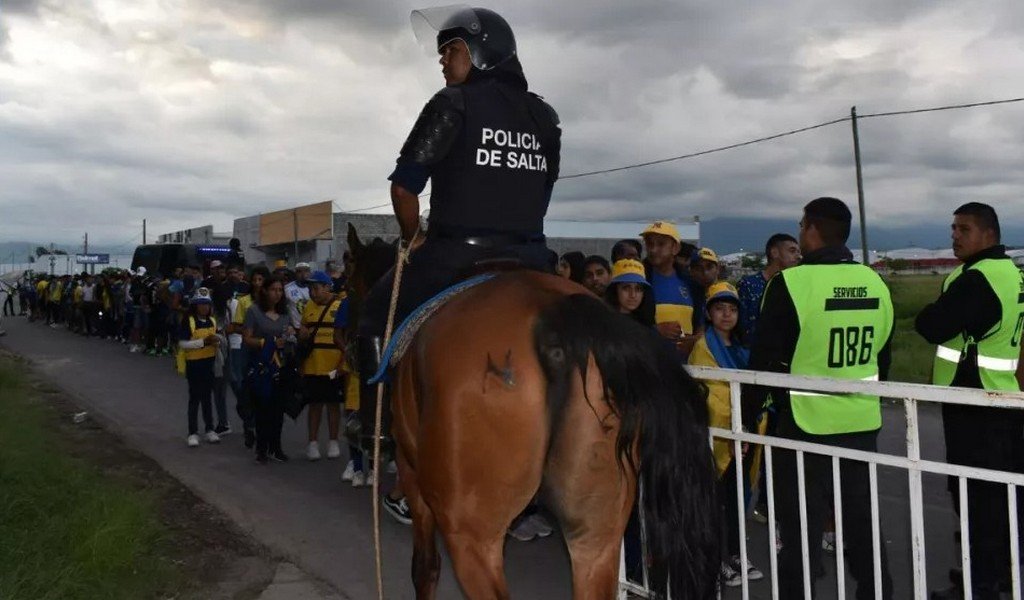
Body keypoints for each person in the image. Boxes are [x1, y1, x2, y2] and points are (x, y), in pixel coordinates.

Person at [355, 5, 561, 444]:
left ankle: (380, 427)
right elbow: (544, 191)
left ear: (481, 52)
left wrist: (413, 239)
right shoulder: (545, 118)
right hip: (532, 259)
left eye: (451, 50)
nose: (443, 62)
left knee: (372, 314)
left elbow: (404, 189)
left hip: (455, 255)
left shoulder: (453, 103)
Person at [742, 197, 894, 599]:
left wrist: (747, 418)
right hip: (861, 423)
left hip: (802, 423)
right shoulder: (875, 282)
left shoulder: (790, 283)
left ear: (810, 230)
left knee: (800, 526)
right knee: (860, 520)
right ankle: (877, 590)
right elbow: (884, 357)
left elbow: (764, 362)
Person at [915, 203, 1024, 600]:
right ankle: (998, 576)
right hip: (1005, 397)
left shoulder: (977, 278)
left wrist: (934, 309)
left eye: (963, 229)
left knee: (977, 499)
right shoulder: (1012, 273)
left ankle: (982, 585)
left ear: (988, 234)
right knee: (1002, 495)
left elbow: (931, 325)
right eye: (952, 228)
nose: (954, 236)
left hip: (974, 402)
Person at [687, 282, 763, 587]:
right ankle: (715, 557)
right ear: (709, 313)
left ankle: (734, 552)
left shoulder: (744, 348)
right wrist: (733, 427)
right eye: (720, 308)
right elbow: (709, 393)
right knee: (713, 500)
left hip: (743, 435)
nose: (727, 314)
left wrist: (744, 427)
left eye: (732, 309)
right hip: (717, 437)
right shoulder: (702, 348)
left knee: (736, 497)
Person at [243, 275, 295, 464]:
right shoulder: (254, 311)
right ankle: (262, 448)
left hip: (280, 366)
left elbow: (290, 334)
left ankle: (276, 446)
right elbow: (247, 338)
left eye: (280, 290)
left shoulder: (285, 313)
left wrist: (291, 335)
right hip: (261, 365)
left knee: (278, 410)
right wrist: (267, 343)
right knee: (262, 409)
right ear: (264, 290)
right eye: (274, 290)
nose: (277, 294)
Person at [299, 271, 350, 464]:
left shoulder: (340, 306)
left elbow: (344, 335)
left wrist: (343, 362)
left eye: (316, 288)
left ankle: (333, 441)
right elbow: (303, 333)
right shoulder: (308, 307)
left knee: (333, 404)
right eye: (310, 288)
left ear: (328, 287)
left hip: (334, 362)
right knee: (314, 405)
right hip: (313, 363)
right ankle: (312, 443)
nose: (312, 292)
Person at [641, 221, 700, 356]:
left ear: (675, 248)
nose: (653, 249)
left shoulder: (691, 283)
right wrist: (656, 331)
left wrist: (695, 340)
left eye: (661, 244)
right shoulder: (639, 283)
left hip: (687, 367)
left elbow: (701, 323)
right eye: (650, 244)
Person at [176, 288, 222, 448]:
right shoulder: (188, 321)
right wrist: (203, 342)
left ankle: (210, 429)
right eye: (201, 304)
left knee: (207, 398)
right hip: (194, 364)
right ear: (195, 306)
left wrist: (217, 340)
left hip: (209, 363)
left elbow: (219, 338)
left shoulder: (213, 321)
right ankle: (192, 432)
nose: (204, 307)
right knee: (195, 398)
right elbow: (182, 343)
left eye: (206, 304)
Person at [738, 233, 801, 347]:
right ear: (775, 253)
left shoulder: (796, 287)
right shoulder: (748, 285)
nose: (798, 256)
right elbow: (740, 326)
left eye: (798, 252)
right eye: (792, 251)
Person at [228, 265, 267, 448]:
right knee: (245, 390)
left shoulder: (273, 301)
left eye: (261, 280)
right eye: (255, 280)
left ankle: (262, 430)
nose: (258, 283)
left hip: (267, 350)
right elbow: (235, 326)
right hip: (247, 349)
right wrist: (249, 330)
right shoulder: (244, 301)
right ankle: (249, 426)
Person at [604, 259, 655, 326]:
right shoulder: (604, 322)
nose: (633, 295)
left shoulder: (647, 323)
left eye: (638, 289)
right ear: (615, 290)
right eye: (626, 288)